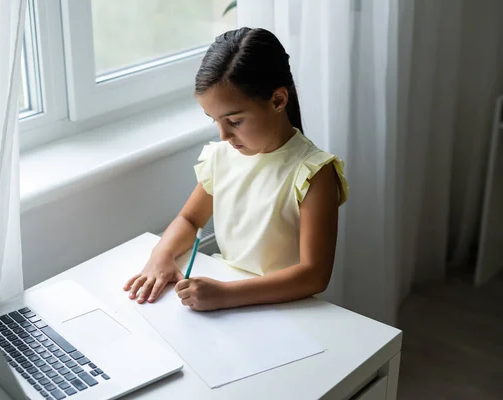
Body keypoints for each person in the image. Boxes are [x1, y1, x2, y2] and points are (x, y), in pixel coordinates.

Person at [123, 27, 348, 311]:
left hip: (284, 308)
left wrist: (227, 295)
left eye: (235, 121)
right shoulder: (222, 156)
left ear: (278, 100)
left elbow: (314, 275)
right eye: (213, 120)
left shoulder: (313, 173)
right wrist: (161, 255)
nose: (223, 136)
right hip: (228, 299)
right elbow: (190, 220)